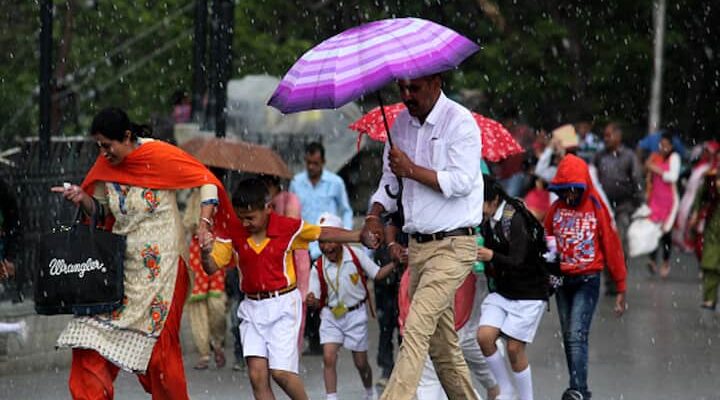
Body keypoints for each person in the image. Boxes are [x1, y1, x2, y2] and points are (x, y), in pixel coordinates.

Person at [51, 107, 236, 400]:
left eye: (108, 145)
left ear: (126, 136)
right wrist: (82, 198)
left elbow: (207, 181)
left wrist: (204, 223)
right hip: (121, 271)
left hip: (165, 270)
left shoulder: (160, 155)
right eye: (98, 146)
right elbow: (100, 211)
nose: (103, 152)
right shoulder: (105, 166)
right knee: (88, 342)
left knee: (161, 355)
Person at [362, 73, 484, 400]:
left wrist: (411, 169)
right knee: (443, 350)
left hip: (454, 245)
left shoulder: (460, 122)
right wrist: (374, 214)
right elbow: (390, 182)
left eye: (413, 88)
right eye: (401, 88)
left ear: (436, 82)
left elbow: (461, 182)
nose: (406, 95)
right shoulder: (399, 124)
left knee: (414, 329)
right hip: (418, 249)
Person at [201, 178, 376, 400]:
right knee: (257, 377)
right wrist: (206, 252)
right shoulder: (234, 232)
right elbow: (211, 267)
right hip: (251, 308)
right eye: (241, 218)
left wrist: (357, 236)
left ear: (267, 208)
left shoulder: (287, 227)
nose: (245, 224)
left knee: (281, 373)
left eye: (251, 218)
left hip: (283, 305)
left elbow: (321, 233)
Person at [544, 154, 627, 400]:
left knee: (577, 334)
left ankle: (578, 390)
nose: (569, 196)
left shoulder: (596, 205)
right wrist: (549, 272)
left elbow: (612, 245)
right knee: (569, 335)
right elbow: (548, 241)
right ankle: (578, 387)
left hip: (587, 279)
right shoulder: (555, 209)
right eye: (564, 191)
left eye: (573, 190)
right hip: (562, 281)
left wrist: (620, 286)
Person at [476, 175, 553, 400]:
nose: (478, 213)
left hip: (529, 292)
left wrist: (492, 256)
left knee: (514, 348)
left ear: (494, 200)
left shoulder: (514, 218)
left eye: (482, 207)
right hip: (503, 291)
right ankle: (506, 390)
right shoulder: (486, 220)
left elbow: (519, 260)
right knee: (484, 337)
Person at [306, 213, 397, 400]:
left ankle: (369, 391)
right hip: (330, 315)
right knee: (329, 357)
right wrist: (312, 301)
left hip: (355, 314)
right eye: (321, 242)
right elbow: (313, 296)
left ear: (340, 239)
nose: (326, 246)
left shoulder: (356, 255)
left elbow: (377, 274)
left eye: (330, 240)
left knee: (361, 362)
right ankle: (331, 397)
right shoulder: (317, 266)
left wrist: (395, 264)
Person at [290, 142, 354, 355]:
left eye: (316, 163)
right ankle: (313, 337)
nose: (312, 167)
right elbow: (292, 212)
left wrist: (343, 235)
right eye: (309, 163)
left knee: (332, 289)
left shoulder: (335, 183)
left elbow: (346, 210)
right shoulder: (297, 183)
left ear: (323, 162)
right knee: (307, 292)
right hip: (305, 246)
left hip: (329, 245)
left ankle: (332, 335)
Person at [592, 122, 643, 293]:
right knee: (605, 243)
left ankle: (619, 279)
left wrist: (639, 203)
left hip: (623, 205)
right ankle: (609, 282)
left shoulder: (629, 156)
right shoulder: (599, 156)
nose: (606, 139)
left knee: (619, 243)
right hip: (604, 206)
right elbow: (593, 177)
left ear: (618, 137)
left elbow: (637, 180)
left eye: (609, 135)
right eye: (605, 136)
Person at [183, 188, 227, 370]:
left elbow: (227, 222)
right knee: (197, 306)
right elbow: (188, 223)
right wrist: (198, 225)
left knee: (217, 304)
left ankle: (217, 342)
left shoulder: (222, 196)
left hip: (216, 250)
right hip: (196, 252)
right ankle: (204, 352)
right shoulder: (193, 196)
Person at [645, 132, 681, 278]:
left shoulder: (675, 158)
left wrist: (655, 169)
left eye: (666, 145)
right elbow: (648, 175)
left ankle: (665, 262)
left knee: (666, 233)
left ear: (671, 146)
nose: (663, 147)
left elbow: (672, 176)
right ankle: (652, 260)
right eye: (662, 144)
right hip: (655, 199)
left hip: (669, 200)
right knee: (653, 230)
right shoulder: (655, 157)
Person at [691, 166, 720, 323]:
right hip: (714, 226)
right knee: (710, 263)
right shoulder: (711, 177)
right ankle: (709, 298)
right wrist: (696, 212)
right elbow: (701, 196)